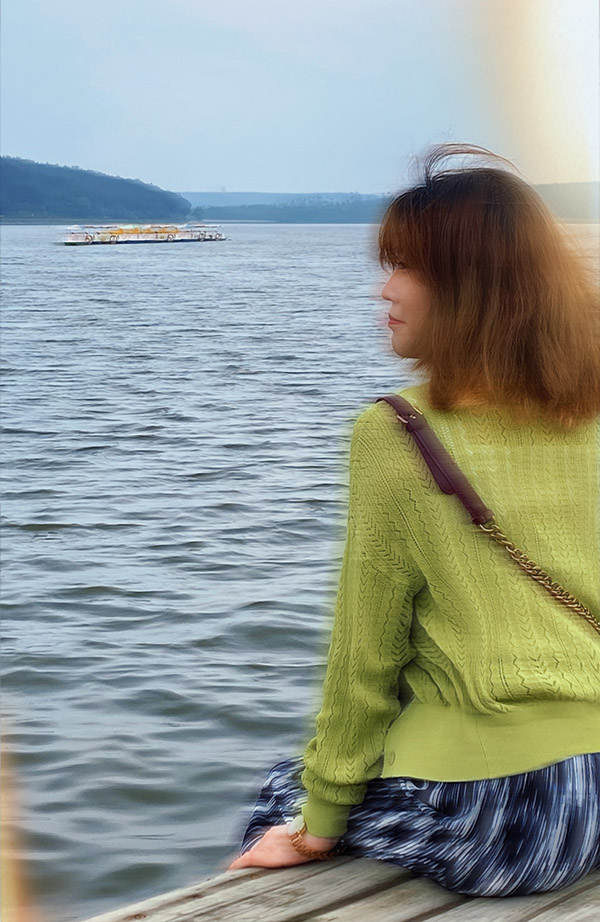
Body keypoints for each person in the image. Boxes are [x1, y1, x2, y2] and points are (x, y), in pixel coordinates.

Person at [226, 143, 600, 896]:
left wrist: (315, 825)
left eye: (407, 267)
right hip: (592, 802)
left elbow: (365, 656)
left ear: (471, 288)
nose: (386, 289)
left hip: (501, 822)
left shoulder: (396, 432)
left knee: (285, 794)